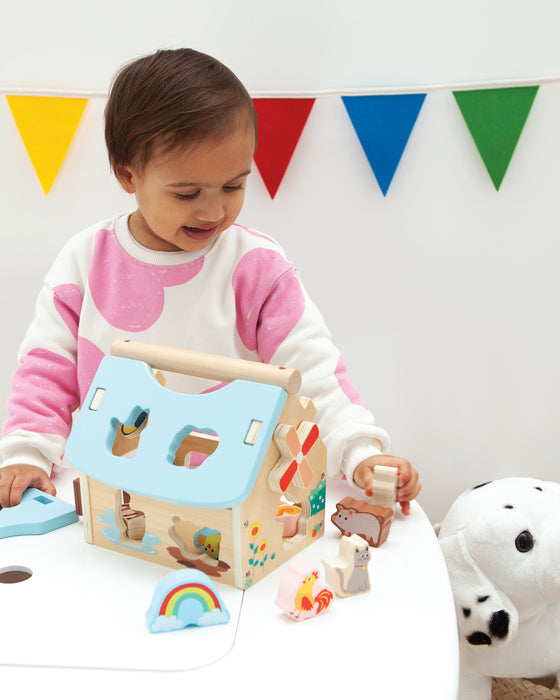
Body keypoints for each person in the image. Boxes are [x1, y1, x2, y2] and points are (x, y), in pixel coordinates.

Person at [0, 48, 420, 512]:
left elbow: (313, 371)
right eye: (186, 193)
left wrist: (360, 449)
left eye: (233, 186)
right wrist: (27, 451)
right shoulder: (84, 261)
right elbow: (47, 369)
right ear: (128, 174)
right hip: (115, 486)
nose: (213, 211)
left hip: (235, 489)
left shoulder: (257, 266)